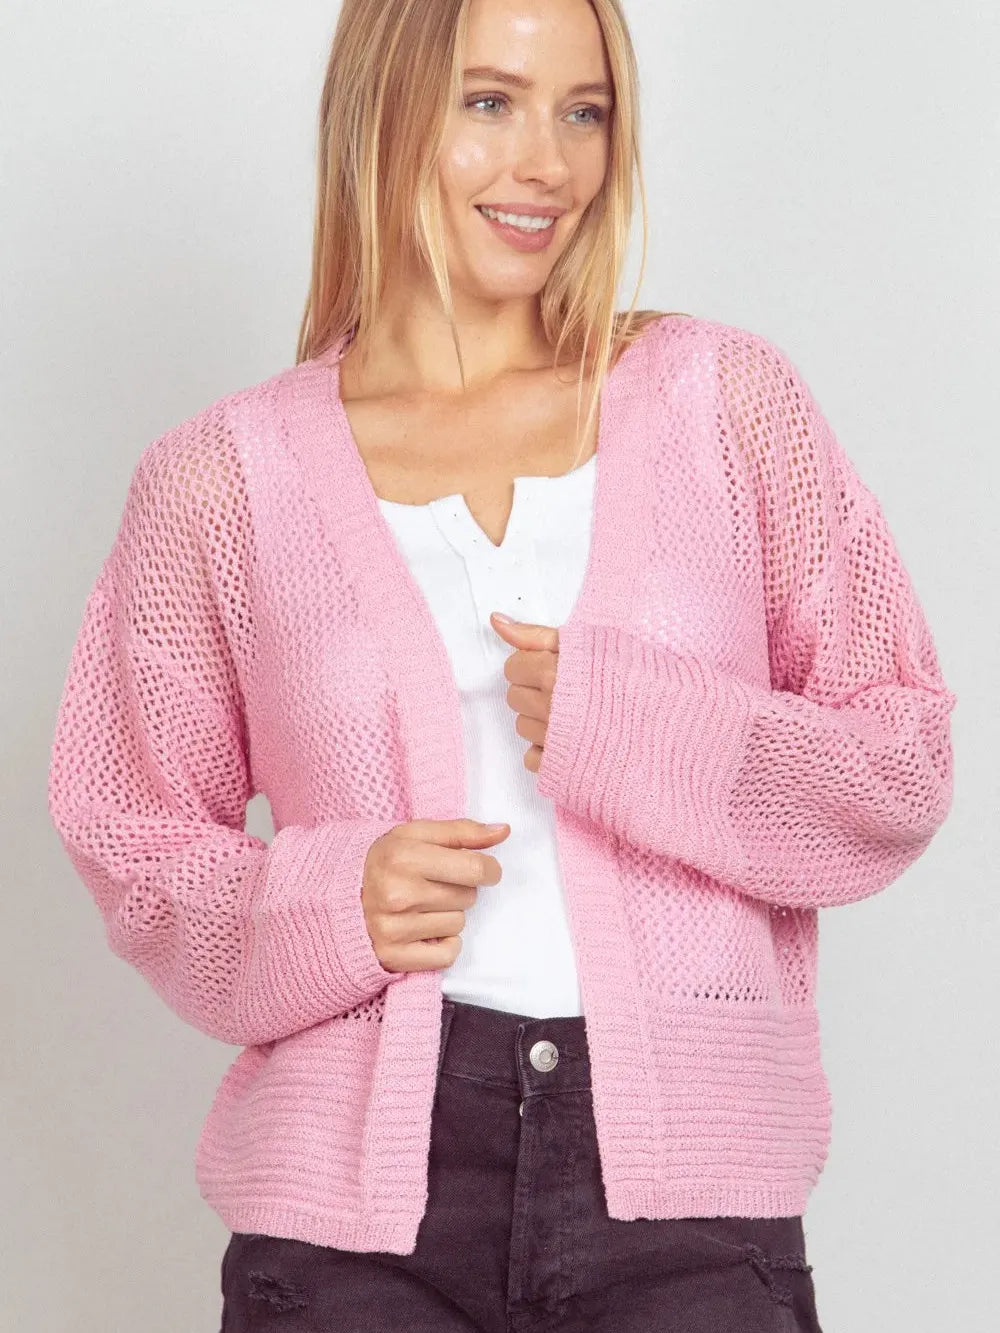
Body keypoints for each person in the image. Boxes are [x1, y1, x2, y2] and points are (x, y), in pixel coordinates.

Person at [47, 0, 957, 1329]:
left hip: (689, 1208)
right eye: (490, 103)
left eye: (585, 113)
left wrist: (643, 729)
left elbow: (900, 763)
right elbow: (131, 836)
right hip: (357, 1226)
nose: (548, 164)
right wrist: (328, 900)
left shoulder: (723, 402)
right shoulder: (220, 480)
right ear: (385, 108)